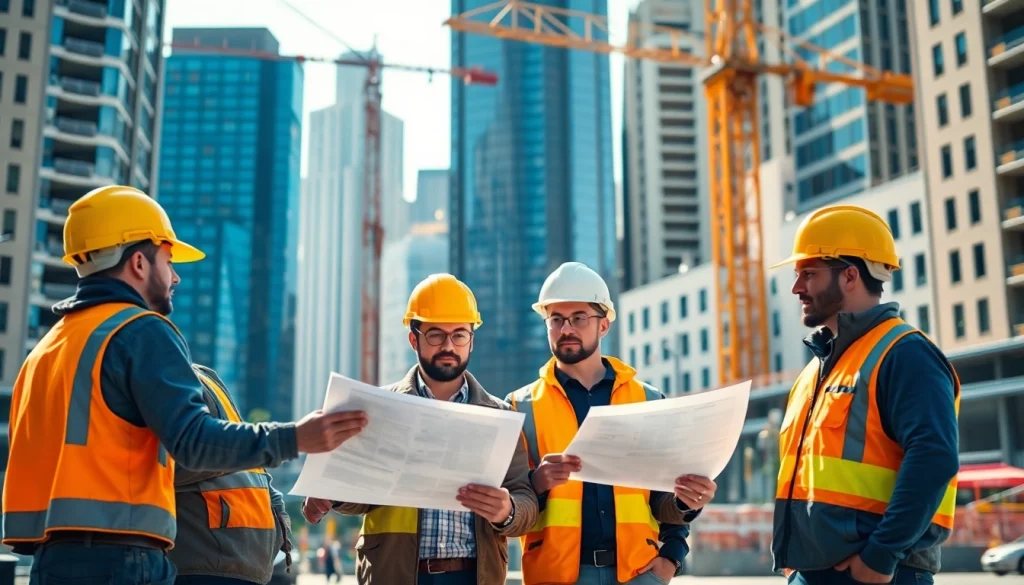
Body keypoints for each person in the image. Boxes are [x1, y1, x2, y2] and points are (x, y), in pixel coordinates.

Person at [2, 185, 368, 585]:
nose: (175, 276)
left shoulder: (46, 351)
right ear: (139, 263)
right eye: (169, 260)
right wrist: (296, 437)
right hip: (123, 560)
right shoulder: (139, 330)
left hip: (52, 562)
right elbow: (193, 442)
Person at [301, 274, 540, 585]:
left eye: (459, 335)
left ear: (472, 339)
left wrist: (507, 510)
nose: (448, 346)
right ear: (414, 339)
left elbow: (527, 501)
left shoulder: (500, 416)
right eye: (436, 335)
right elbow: (363, 495)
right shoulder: (378, 409)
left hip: (474, 575)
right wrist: (331, 495)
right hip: (395, 573)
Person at [768, 205, 960, 585]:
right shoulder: (816, 370)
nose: (796, 288)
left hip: (879, 573)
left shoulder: (905, 353)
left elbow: (934, 457)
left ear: (850, 275)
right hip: (811, 573)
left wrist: (881, 556)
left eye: (809, 273)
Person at [505, 261, 717, 585]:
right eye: (556, 319)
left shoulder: (647, 400)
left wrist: (672, 551)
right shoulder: (521, 407)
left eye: (578, 318)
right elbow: (512, 504)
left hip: (638, 574)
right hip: (556, 576)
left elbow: (663, 499)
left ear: (603, 325)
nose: (566, 329)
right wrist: (537, 482)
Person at [169, 364, 294, 585]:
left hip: (240, 564)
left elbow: (242, 454)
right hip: (205, 563)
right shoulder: (169, 376)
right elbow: (189, 454)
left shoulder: (203, 376)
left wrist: (277, 510)